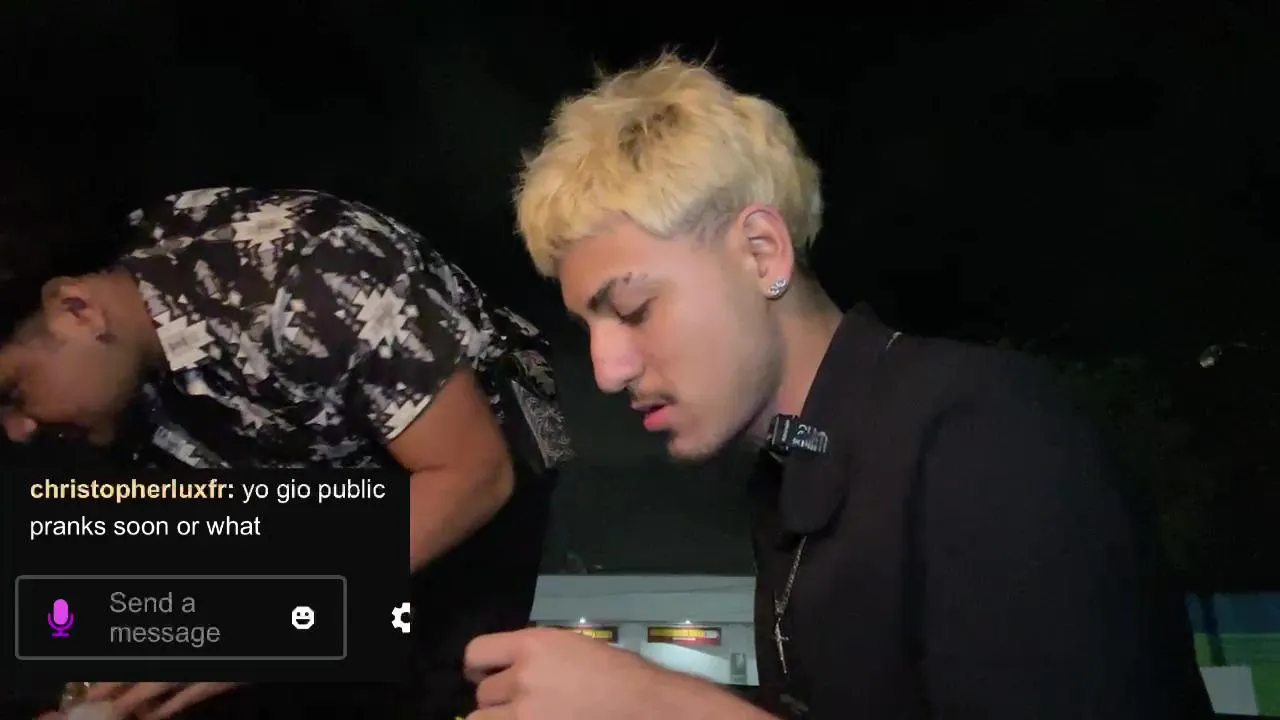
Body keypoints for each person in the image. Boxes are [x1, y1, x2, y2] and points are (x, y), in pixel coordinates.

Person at [461, 55, 1213, 719]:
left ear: (762, 253)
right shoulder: (793, 479)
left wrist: (659, 708)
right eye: (588, 327)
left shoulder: (985, 433)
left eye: (633, 309)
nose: (606, 368)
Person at [0, 186, 571, 719]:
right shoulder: (108, 388)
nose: (18, 429)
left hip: (470, 470)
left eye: (13, 393)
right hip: (309, 482)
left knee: (430, 684)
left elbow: (474, 473)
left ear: (76, 309)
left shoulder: (315, 272)